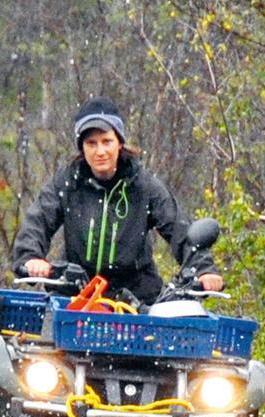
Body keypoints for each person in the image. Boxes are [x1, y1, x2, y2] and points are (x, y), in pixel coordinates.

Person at [12, 97, 223, 304]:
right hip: (75, 297)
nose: (100, 151)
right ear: (81, 147)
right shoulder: (66, 182)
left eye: (107, 141)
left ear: (120, 143)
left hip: (136, 300)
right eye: (91, 143)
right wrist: (31, 257)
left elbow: (179, 229)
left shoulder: (144, 186)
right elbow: (38, 220)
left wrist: (203, 271)